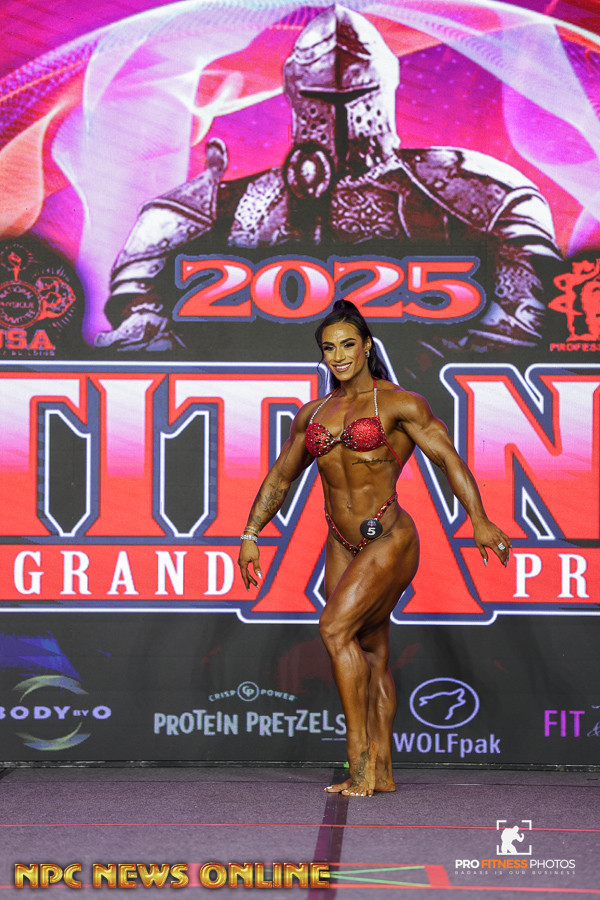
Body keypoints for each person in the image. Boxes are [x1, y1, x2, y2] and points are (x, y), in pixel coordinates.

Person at [97, 5, 560, 354]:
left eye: (356, 93)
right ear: (296, 93)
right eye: (322, 96)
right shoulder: (214, 207)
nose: (340, 111)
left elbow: (530, 317)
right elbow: (141, 327)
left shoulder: (474, 190)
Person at [238, 299, 511, 797]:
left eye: (348, 345)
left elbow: (448, 459)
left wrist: (479, 519)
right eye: (329, 348)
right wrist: (251, 534)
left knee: (333, 628)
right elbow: (280, 478)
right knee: (372, 652)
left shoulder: (400, 404)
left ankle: (359, 761)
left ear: (366, 346)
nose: (339, 356)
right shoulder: (314, 414)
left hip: (389, 537)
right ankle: (382, 772)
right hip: (341, 542)